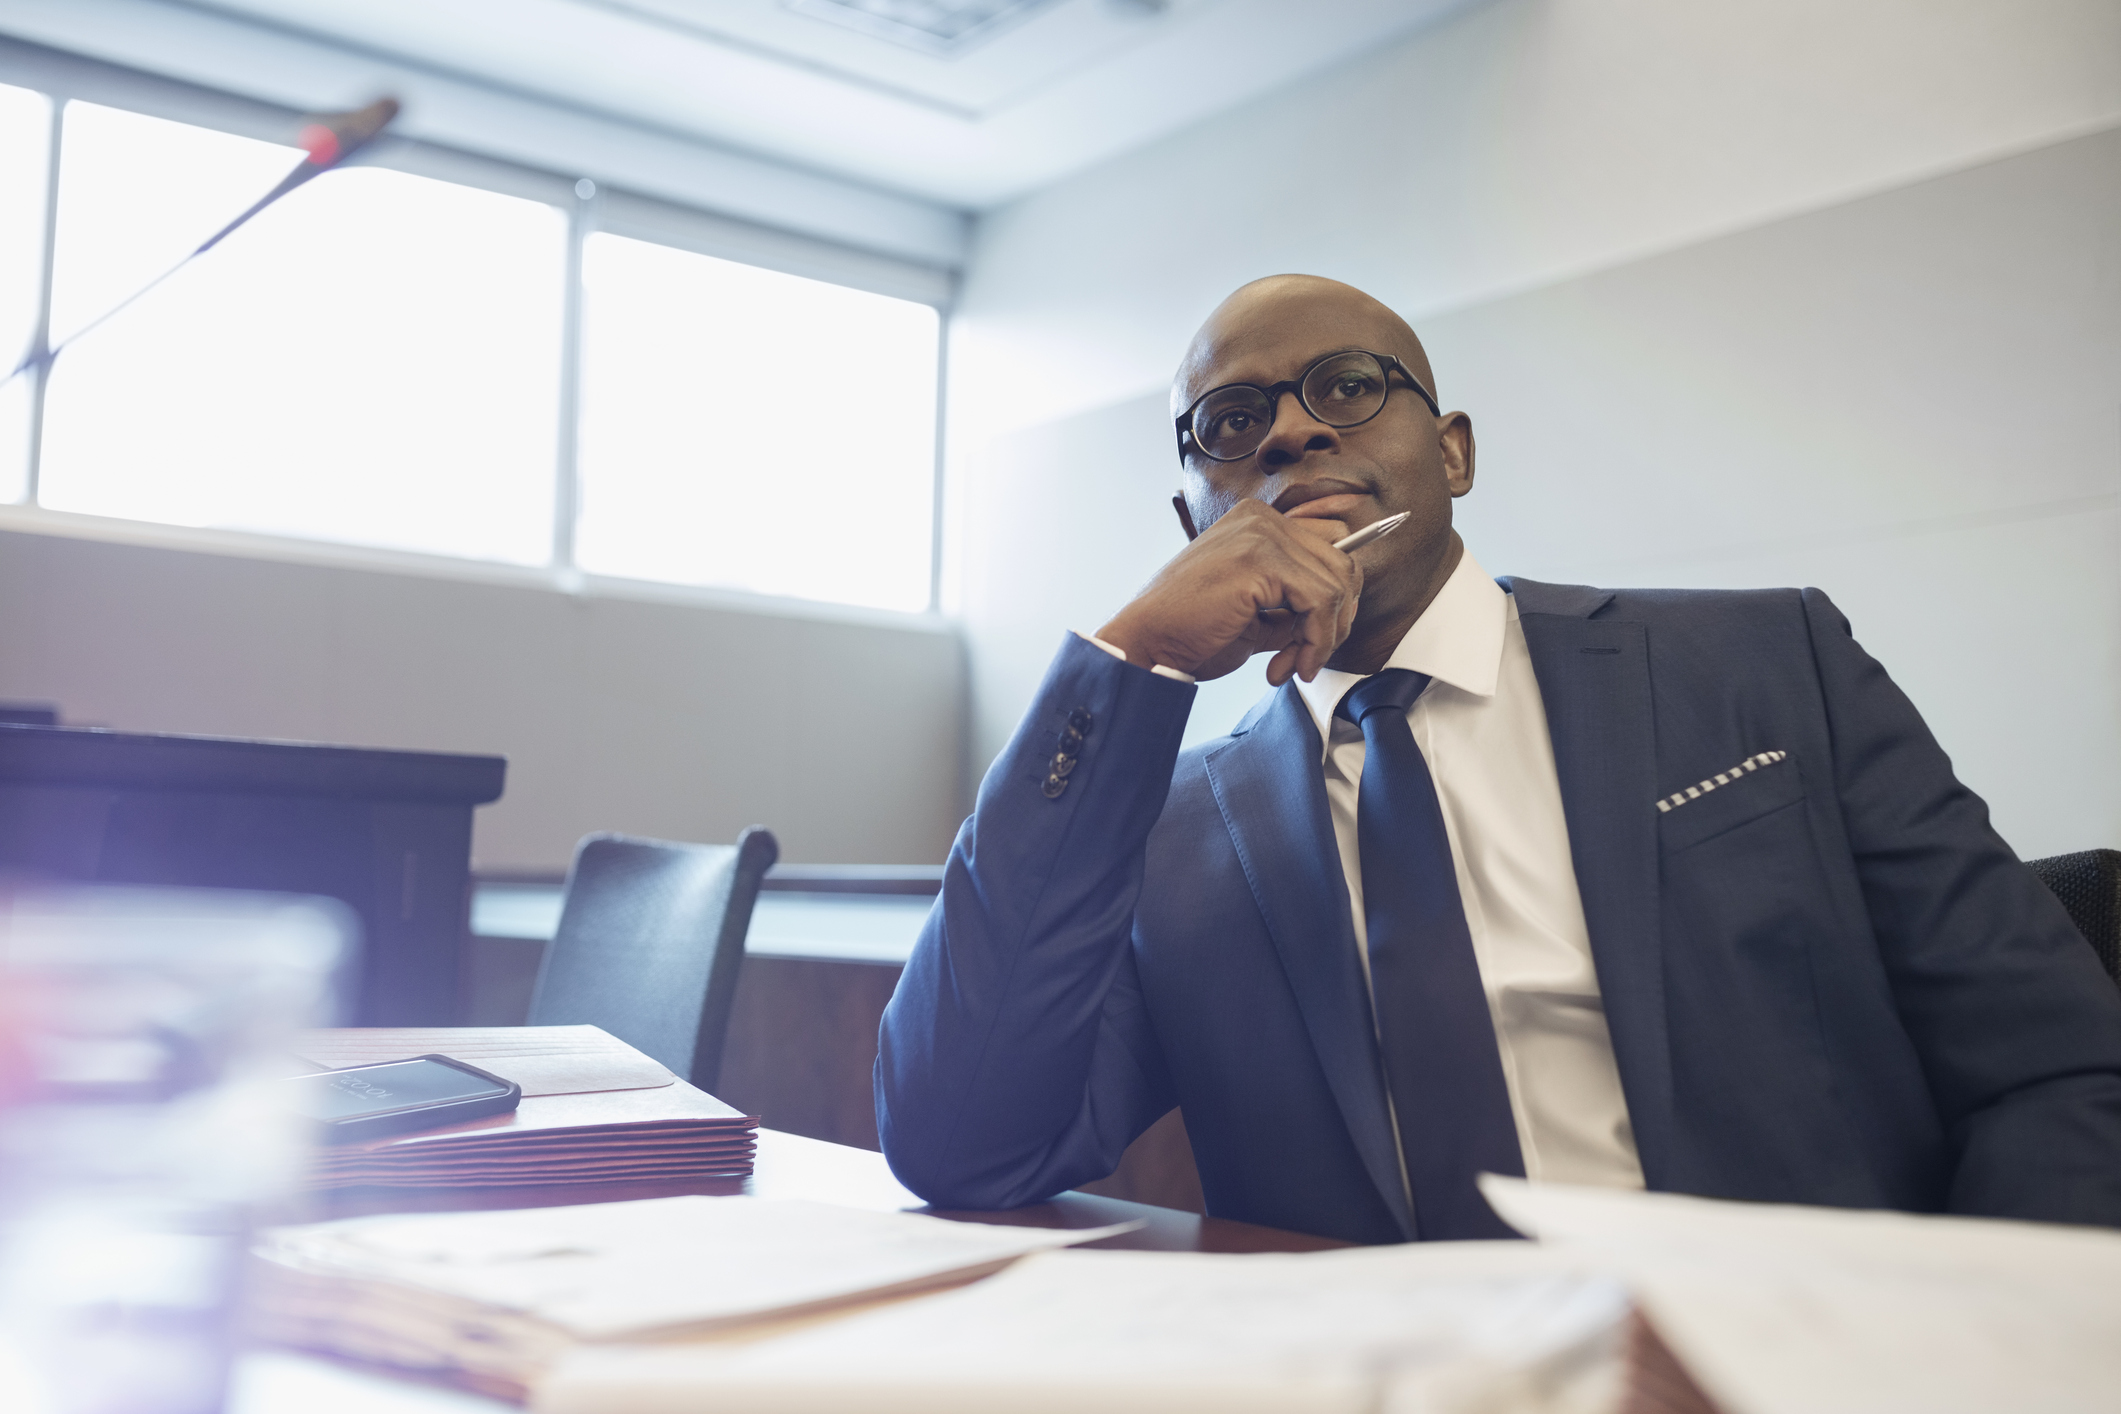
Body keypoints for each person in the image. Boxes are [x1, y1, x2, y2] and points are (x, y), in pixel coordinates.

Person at [875, 274, 2121, 1244]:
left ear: (1454, 452)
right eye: (1231, 422)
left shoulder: (1763, 659)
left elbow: (2060, 1068)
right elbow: (965, 1146)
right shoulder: (1169, 830)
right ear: (1192, 518)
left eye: (1348, 386)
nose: (1293, 433)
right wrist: (1125, 657)